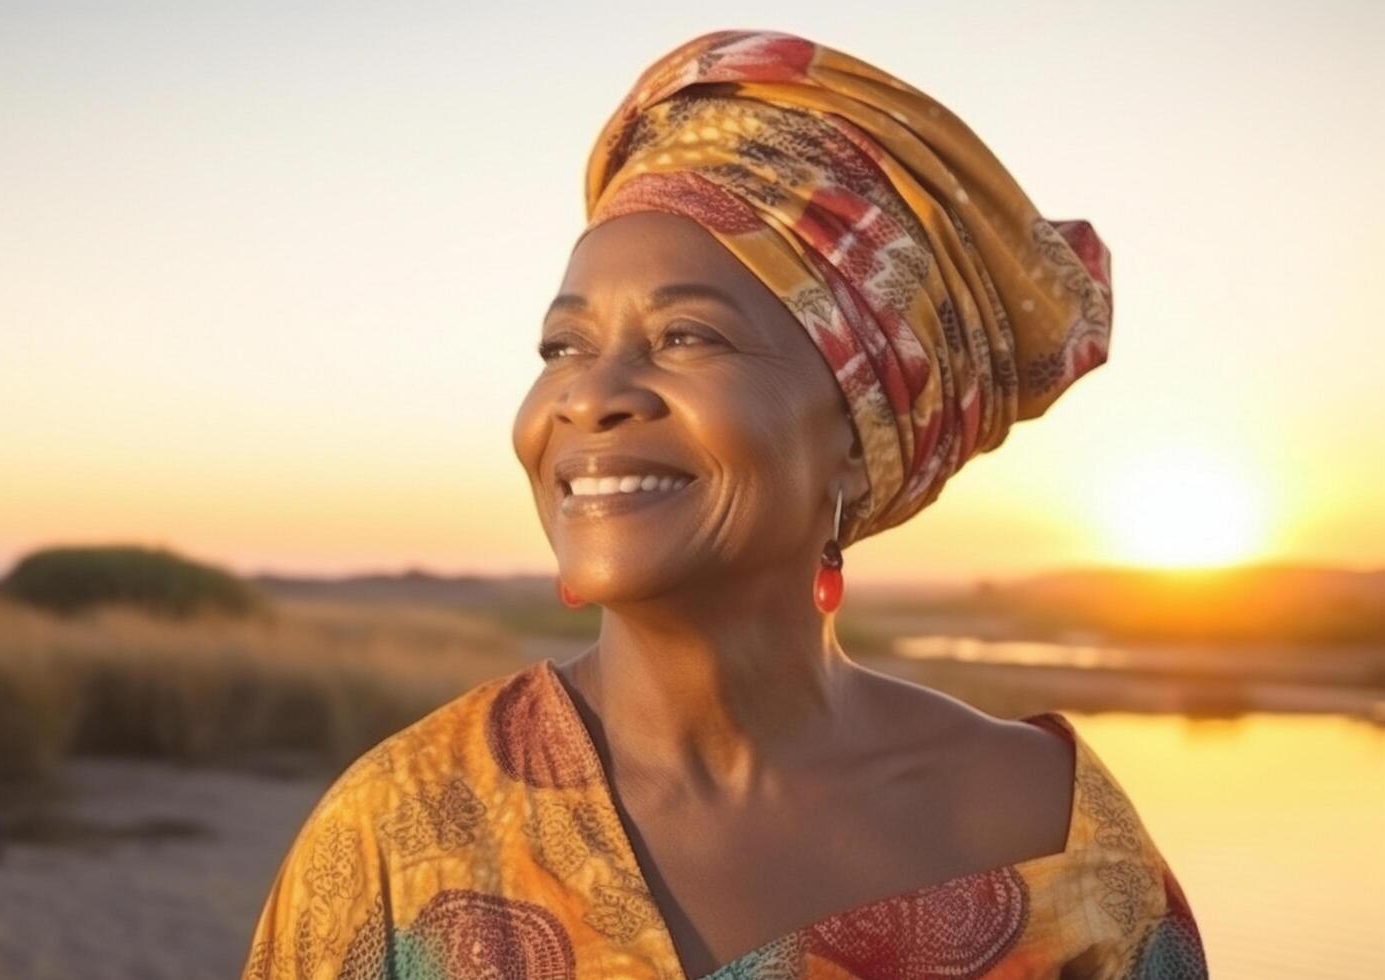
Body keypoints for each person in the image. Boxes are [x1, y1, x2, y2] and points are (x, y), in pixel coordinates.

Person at [240, 29, 1207, 980]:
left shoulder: (1056, 840)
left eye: (688, 336)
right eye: (561, 348)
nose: (586, 395)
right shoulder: (400, 831)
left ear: (859, 430)